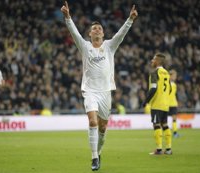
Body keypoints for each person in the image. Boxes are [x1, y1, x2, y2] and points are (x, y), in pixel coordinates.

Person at [61, 1, 138, 170]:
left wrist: (130, 20)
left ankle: (99, 150)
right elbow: (74, 33)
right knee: (93, 122)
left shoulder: (109, 46)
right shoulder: (85, 47)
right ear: (89, 34)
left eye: (100, 29)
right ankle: (94, 157)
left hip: (105, 92)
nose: (97, 30)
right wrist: (67, 17)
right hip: (89, 91)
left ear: (103, 34)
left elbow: (121, 34)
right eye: (94, 28)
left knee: (103, 127)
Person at [142, 53, 172, 155]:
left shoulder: (155, 73)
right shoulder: (167, 73)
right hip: (165, 104)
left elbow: (153, 89)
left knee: (156, 125)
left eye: (154, 59)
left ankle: (159, 150)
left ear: (158, 62)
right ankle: (168, 149)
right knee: (165, 125)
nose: (152, 61)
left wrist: (146, 101)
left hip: (157, 104)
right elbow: (170, 89)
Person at [168, 69, 179, 138]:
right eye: (174, 75)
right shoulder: (172, 85)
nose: (175, 77)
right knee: (174, 119)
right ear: (170, 76)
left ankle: (174, 133)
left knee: (165, 119)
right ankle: (174, 133)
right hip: (171, 104)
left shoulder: (166, 84)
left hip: (168, 104)